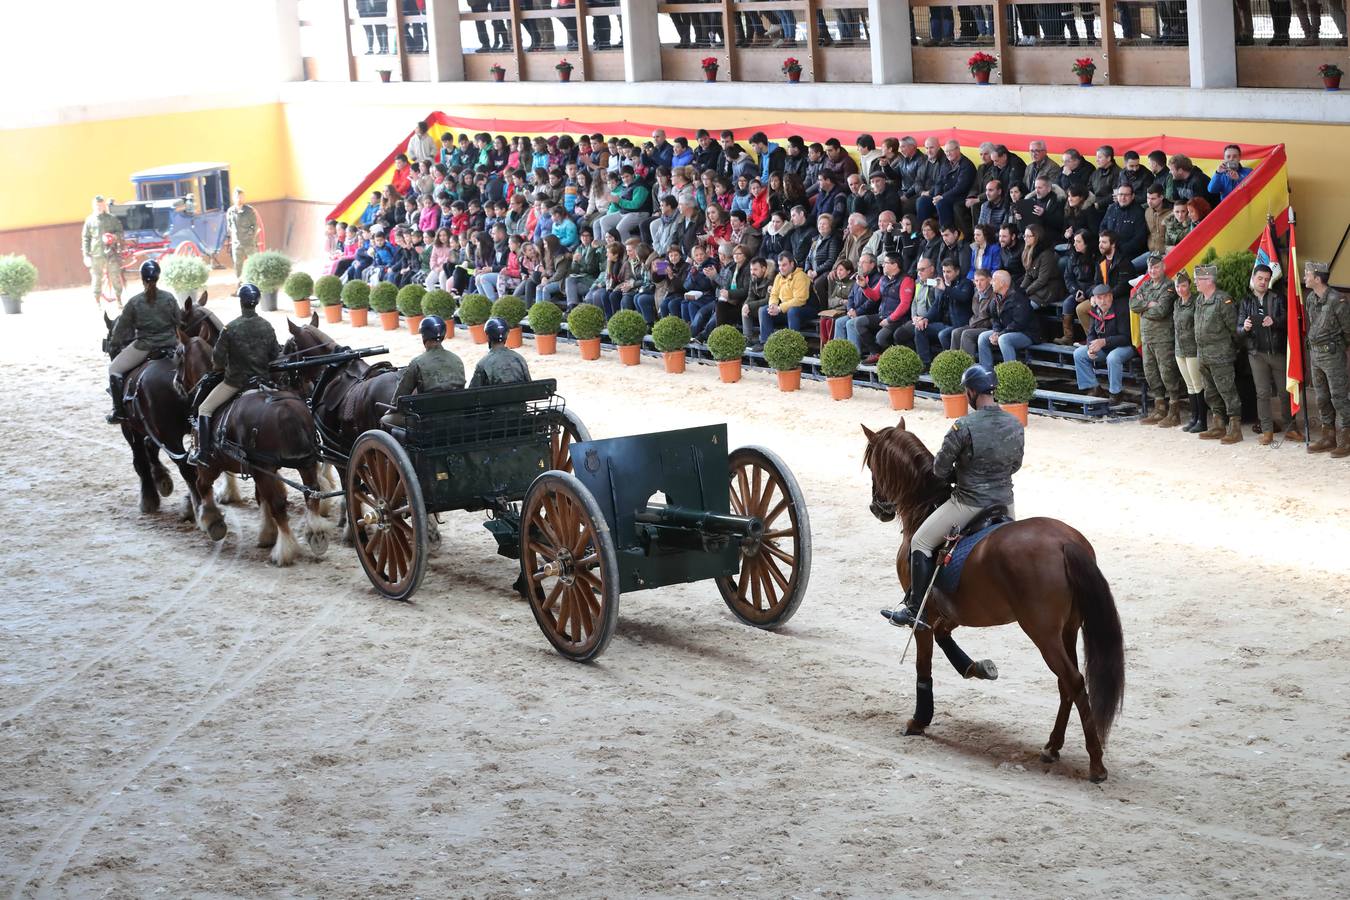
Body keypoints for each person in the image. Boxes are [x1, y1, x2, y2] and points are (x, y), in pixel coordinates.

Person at [885, 364, 1024, 630]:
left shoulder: (963, 426)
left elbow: (939, 469)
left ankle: (915, 609)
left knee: (921, 541)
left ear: (971, 392)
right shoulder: (1015, 423)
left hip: (968, 502)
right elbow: (1015, 464)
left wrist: (961, 472)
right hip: (1005, 503)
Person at [188, 284, 282, 464]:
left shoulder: (230, 328)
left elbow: (218, 361)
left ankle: (204, 453)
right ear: (257, 302)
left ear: (241, 302)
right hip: (262, 380)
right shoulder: (266, 326)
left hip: (235, 382)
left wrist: (222, 367)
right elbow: (274, 355)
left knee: (204, 409)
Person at [106, 260, 180, 423]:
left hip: (145, 346)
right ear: (158, 277)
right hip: (171, 343)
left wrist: (114, 342)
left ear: (142, 278)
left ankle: (119, 411)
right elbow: (179, 321)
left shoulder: (134, 302)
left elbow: (121, 329)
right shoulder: (169, 298)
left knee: (114, 369)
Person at [1239, 263, 1301, 444]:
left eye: (1266, 279)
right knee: (1262, 393)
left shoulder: (1278, 298)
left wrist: (1274, 321)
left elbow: (1288, 321)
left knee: (1285, 392)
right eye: (1260, 278)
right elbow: (1238, 329)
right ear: (1253, 279)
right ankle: (1267, 431)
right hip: (1256, 353)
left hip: (1277, 352)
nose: (1263, 282)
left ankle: (1290, 428)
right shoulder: (1246, 301)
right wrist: (1245, 327)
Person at [1130, 253, 1187, 428]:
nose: (1152, 270)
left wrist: (1144, 307)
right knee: (1151, 374)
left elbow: (1162, 310)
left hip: (1163, 339)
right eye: (1150, 268)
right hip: (1147, 338)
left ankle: (1174, 412)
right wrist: (1149, 304)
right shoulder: (1146, 284)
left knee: (1167, 374)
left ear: (1162, 267)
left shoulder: (1169, 286)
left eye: (1155, 267)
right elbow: (1133, 304)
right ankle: (1159, 408)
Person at [382, 316, 467, 429]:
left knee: (385, 420)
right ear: (443, 335)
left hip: (428, 420)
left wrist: (390, 410)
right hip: (457, 416)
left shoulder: (417, 362)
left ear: (424, 337)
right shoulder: (457, 359)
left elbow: (400, 396)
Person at [1302, 261, 1350, 456]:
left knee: (1339, 398)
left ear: (1317, 277)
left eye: (1307, 274)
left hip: (1332, 355)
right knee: (1321, 397)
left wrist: (1339, 349)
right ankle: (1328, 436)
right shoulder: (1311, 299)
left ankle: (1345, 440)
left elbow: (1348, 330)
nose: (1304, 277)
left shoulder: (1337, 300)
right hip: (1315, 356)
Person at [1192, 264, 1243, 443]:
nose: (1195, 282)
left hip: (1221, 355)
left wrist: (1231, 349)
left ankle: (1235, 429)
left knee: (1227, 391)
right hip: (1203, 355)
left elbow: (1234, 329)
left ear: (1209, 281)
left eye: (1198, 279)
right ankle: (1218, 425)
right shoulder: (1199, 300)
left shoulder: (1223, 300)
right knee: (1210, 392)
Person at [1072, 284, 1135, 403]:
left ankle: (1115, 394)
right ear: (1094, 299)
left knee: (1113, 358)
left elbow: (1126, 337)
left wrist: (1104, 341)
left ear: (1111, 297)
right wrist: (1091, 347)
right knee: (1079, 354)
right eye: (1099, 298)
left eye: (1106, 297)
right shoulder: (1095, 310)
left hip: (1124, 346)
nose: (1103, 301)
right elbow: (1091, 334)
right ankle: (1094, 388)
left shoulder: (1121, 310)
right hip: (1105, 346)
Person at [977, 269, 1037, 368]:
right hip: (1006, 331)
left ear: (1002, 283)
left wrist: (1000, 334)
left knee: (1004, 339)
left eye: (994, 280)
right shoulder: (996, 298)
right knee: (983, 337)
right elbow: (995, 319)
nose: (991, 282)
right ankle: (986, 370)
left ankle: (1010, 373)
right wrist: (996, 331)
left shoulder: (1018, 297)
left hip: (1027, 333)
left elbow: (1019, 323)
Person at [1172, 271, 1207, 433]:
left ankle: (1203, 420)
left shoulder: (1196, 302)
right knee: (1189, 386)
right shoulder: (1177, 303)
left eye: (1183, 285)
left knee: (1198, 385)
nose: (1180, 289)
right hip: (1180, 349)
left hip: (1193, 348)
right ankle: (1194, 418)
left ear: (1189, 286)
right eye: (1177, 286)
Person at [82, 195, 125, 305]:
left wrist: (114, 237)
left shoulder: (112, 218)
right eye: (97, 205)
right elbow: (86, 238)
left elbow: (120, 232)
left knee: (115, 276)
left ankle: (119, 300)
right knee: (96, 278)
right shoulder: (90, 220)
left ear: (104, 205)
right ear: (93, 206)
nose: (99, 207)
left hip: (111, 253)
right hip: (96, 254)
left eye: (101, 205)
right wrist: (86, 255)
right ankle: (97, 302)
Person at [470, 317, 532, 387]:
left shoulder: (482, 364)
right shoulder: (520, 359)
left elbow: (472, 392)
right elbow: (529, 386)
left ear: (487, 336)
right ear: (507, 336)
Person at [226, 188, 260, 294]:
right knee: (238, 266)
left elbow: (255, 226)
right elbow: (230, 225)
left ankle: (258, 286)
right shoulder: (231, 211)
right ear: (233, 198)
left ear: (243, 198)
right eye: (237, 197)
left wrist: (250, 237)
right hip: (237, 244)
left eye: (241, 197)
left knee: (255, 264)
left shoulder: (249, 211)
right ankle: (240, 288)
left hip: (249, 243)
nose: (239, 199)